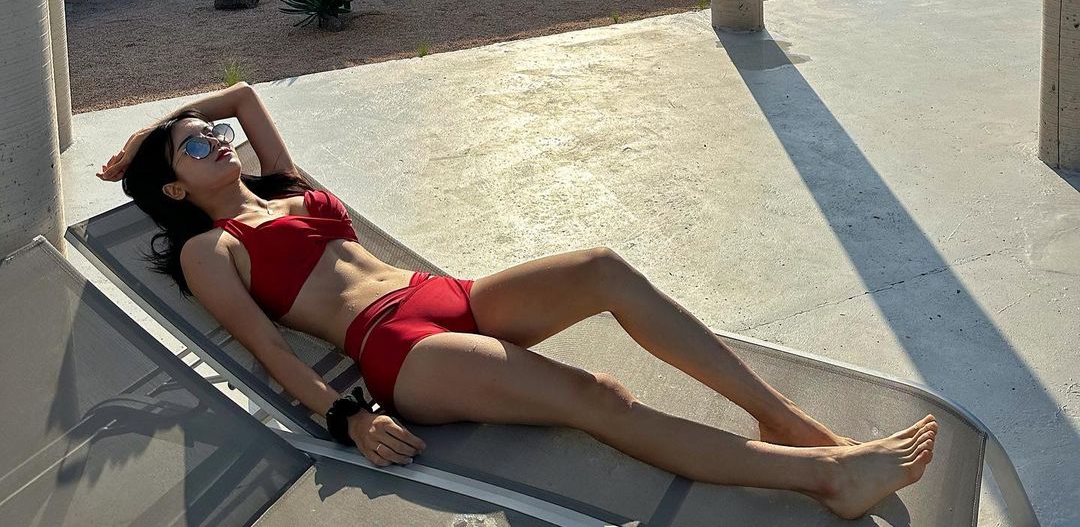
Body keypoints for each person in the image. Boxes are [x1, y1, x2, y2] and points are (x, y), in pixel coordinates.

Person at [101, 82, 936, 519]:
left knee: (602, 267)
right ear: (174, 189)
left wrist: (157, 133)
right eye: (195, 149)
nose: (218, 139)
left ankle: (779, 417)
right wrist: (346, 417)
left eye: (211, 135)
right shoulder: (212, 249)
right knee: (593, 395)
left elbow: (243, 94)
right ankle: (824, 477)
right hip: (402, 351)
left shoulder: (283, 186)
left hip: (443, 294)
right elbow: (270, 350)